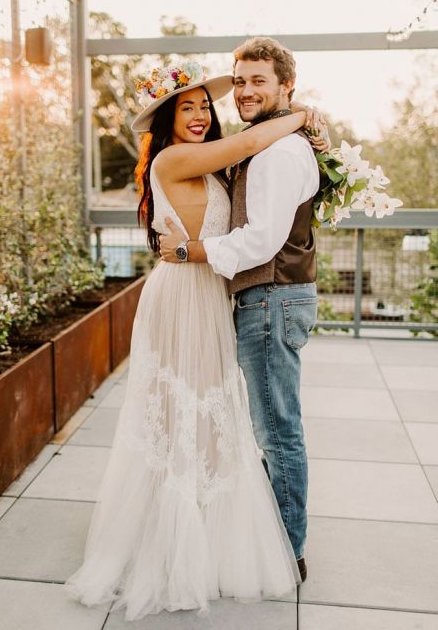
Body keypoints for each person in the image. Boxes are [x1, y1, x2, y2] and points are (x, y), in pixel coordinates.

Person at [66, 61, 313, 621]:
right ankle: (168, 539)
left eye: (205, 107)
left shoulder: (216, 169)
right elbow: (252, 138)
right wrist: (301, 115)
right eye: (188, 108)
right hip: (179, 294)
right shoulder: (174, 159)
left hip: (208, 293)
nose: (200, 117)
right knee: (179, 407)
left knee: (210, 411)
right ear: (166, 119)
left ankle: (202, 529)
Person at [159, 38, 328, 582]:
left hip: (270, 297)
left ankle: (286, 551)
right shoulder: (263, 144)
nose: (246, 91)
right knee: (260, 424)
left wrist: (190, 251)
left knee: (276, 431)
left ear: (285, 85)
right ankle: (269, 536)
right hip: (263, 298)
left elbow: (258, 243)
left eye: (259, 80)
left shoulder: (278, 151)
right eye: (240, 80)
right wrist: (307, 120)